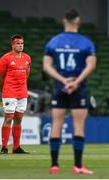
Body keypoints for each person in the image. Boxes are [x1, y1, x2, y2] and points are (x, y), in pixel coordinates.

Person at [43, 9, 97, 174]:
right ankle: (78, 166)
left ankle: (54, 165)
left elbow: (46, 66)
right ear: (78, 22)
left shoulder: (53, 42)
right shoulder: (86, 43)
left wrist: (62, 80)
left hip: (60, 88)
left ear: (64, 21)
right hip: (79, 88)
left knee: (56, 124)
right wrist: (76, 81)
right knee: (78, 125)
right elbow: (91, 65)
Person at [0, 34, 31, 154]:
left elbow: (26, 75)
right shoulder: (5, 58)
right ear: (12, 44)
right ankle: (4, 147)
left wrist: (23, 88)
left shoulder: (27, 58)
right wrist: (4, 90)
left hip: (22, 92)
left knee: (19, 119)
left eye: (22, 43)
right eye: (18, 43)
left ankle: (16, 148)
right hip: (9, 92)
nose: (20, 45)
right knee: (9, 117)